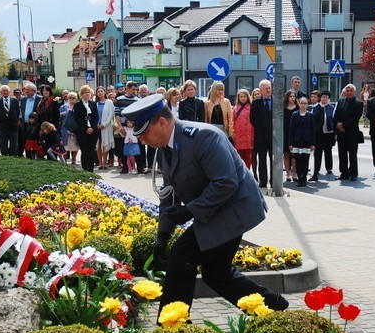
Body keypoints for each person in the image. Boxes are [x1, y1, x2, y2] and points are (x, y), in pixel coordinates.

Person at [121, 94, 289, 320]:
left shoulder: (203, 137)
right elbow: (168, 196)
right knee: (216, 274)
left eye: (144, 133)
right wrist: (163, 235)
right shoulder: (164, 150)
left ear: (162, 123)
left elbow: (226, 182)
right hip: (215, 209)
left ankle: (172, 327)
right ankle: (273, 308)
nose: (141, 140)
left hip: (235, 208)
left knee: (182, 257)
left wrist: (189, 211)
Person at [333, 84, 364, 181]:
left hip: (352, 132)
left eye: (351, 91)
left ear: (354, 92)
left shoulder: (358, 103)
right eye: (347, 91)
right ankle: (344, 173)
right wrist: (338, 124)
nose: (349, 92)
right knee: (342, 154)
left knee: (352, 154)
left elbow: (355, 118)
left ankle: (353, 173)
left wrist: (343, 125)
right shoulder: (341, 101)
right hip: (341, 133)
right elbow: (336, 114)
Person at [114, 82, 144, 173]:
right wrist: (120, 127)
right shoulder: (119, 99)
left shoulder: (138, 100)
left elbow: (140, 114)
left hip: (135, 127)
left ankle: (140, 168)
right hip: (124, 127)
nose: (134, 91)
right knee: (124, 147)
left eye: (135, 89)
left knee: (138, 147)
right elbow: (117, 114)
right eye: (132, 89)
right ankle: (125, 167)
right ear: (127, 88)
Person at [250, 79, 274, 188]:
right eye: (266, 88)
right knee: (262, 160)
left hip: (274, 137)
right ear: (261, 90)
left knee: (274, 160)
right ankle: (263, 181)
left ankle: (274, 180)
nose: (268, 90)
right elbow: (252, 119)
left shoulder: (276, 101)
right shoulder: (256, 103)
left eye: (269, 88)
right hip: (260, 136)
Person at [288, 96, 315, 187]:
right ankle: (300, 178)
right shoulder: (295, 114)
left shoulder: (310, 115)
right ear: (299, 104)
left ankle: (304, 179)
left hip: (307, 141)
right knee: (298, 161)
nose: (303, 105)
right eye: (301, 103)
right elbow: (291, 129)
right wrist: (290, 143)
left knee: (305, 160)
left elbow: (313, 130)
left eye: (305, 103)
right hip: (297, 141)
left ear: (307, 105)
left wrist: (313, 144)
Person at [74, 85, 99, 172]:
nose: (87, 94)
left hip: (93, 131)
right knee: (84, 150)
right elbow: (77, 118)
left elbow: (96, 117)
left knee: (91, 150)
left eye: (88, 92)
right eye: (85, 92)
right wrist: (85, 128)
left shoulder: (93, 104)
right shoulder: (77, 105)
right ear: (81, 94)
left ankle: (91, 169)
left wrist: (92, 127)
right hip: (82, 131)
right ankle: (85, 168)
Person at [311, 91, 335, 181]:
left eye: (326, 97)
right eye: (323, 97)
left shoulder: (331, 108)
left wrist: (334, 134)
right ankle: (317, 170)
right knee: (318, 153)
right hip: (319, 133)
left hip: (328, 133)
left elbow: (333, 120)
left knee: (328, 151)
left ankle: (329, 168)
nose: (324, 99)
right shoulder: (316, 107)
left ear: (329, 99)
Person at [0, 85, 20, 156]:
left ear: (9, 92)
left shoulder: (15, 101)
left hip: (13, 127)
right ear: (1, 92)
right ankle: (4, 160)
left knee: (13, 147)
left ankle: (13, 160)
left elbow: (17, 112)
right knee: (3, 146)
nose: (5, 92)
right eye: (3, 91)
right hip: (2, 128)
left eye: (6, 90)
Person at [232, 88, 254, 170]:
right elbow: (232, 121)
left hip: (249, 135)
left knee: (248, 157)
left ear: (248, 97)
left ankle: (248, 171)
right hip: (239, 135)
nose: (243, 98)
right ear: (238, 98)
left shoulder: (251, 107)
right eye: (241, 96)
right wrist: (233, 134)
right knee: (239, 156)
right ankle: (241, 172)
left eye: (244, 96)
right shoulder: (235, 109)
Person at [95, 86, 115, 169]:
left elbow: (111, 115)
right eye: (98, 91)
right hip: (96, 126)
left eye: (101, 91)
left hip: (106, 126)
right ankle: (100, 163)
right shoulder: (94, 103)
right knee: (98, 144)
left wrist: (104, 124)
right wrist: (96, 124)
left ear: (104, 92)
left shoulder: (109, 102)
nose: (100, 92)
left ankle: (104, 162)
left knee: (105, 144)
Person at [19, 82, 39, 156]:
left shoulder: (39, 99)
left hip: (35, 126)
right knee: (26, 143)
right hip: (25, 125)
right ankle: (28, 158)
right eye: (25, 89)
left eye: (28, 89)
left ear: (33, 90)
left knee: (34, 144)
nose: (26, 91)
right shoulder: (23, 99)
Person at [282, 90, 298, 182]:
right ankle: (288, 173)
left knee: (294, 154)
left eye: (293, 96)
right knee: (286, 154)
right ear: (287, 97)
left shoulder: (298, 108)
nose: (292, 98)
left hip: (295, 134)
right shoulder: (283, 108)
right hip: (285, 133)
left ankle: (294, 172)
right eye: (290, 96)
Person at [61, 92, 80, 164]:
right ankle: (65, 160)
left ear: (76, 99)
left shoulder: (78, 107)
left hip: (75, 128)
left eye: (73, 98)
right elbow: (59, 118)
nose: (72, 99)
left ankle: (74, 159)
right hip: (65, 128)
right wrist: (62, 114)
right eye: (70, 98)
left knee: (75, 145)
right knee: (65, 145)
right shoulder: (63, 107)